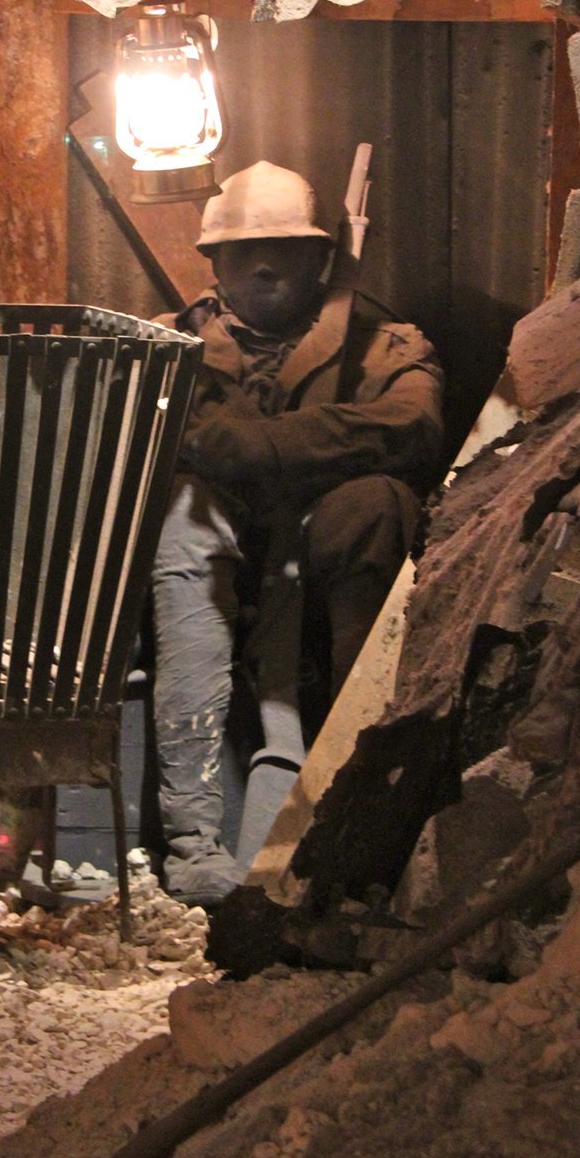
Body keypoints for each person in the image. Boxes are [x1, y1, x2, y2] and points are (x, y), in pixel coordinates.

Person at [152, 160, 445, 905]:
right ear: (214, 262)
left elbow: (412, 423)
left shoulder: (382, 344)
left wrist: (269, 446)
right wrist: (209, 447)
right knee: (183, 518)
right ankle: (192, 838)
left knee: (376, 504)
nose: (263, 264)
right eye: (243, 250)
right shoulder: (165, 346)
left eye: (283, 247)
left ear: (319, 257)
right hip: (206, 568)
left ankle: (356, 805)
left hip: (324, 566)